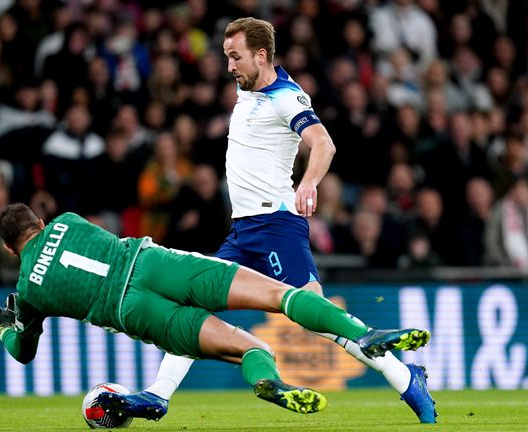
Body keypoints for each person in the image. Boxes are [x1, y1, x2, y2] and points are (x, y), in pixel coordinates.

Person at [112, 18, 438, 424]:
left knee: (315, 315)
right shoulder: (248, 86)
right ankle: (158, 395)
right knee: (192, 305)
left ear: (261, 55)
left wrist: (309, 183)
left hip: (275, 225)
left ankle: (405, 376)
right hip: (243, 229)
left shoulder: (287, 98)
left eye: (235, 57)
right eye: (227, 57)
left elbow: (323, 143)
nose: (229, 66)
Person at [0, 203, 431, 419]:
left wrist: (4, 328)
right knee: (278, 294)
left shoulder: (27, 289)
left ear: (7, 248)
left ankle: (266, 381)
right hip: (154, 264)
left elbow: (22, 350)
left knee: (249, 346)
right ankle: (363, 333)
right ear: (39, 220)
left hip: (131, 311)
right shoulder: (68, 220)